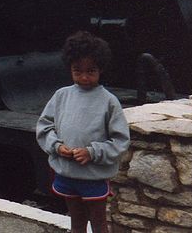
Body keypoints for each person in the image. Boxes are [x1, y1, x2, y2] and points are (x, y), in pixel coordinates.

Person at [36, 31, 130, 233]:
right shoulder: (61, 95)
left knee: (98, 222)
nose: (84, 77)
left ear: (101, 69)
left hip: (94, 176)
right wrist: (57, 146)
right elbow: (44, 127)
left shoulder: (109, 101)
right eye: (77, 71)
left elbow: (120, 140)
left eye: (91, 71)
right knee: (76, 219)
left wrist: (92, 152)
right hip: (68, 173)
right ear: (70, 68)